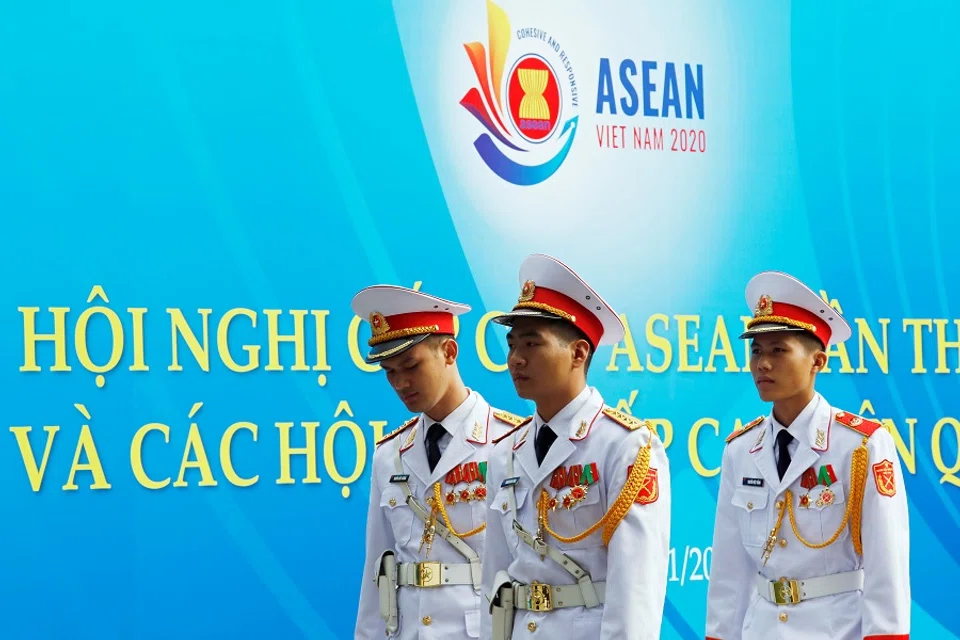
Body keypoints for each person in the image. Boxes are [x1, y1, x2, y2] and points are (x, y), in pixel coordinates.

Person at [705, 270, 910, 640]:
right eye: (756, 351)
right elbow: (729, 571)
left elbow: (886, 564)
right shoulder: (740, 449)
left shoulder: (861, 446)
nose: (762, 364)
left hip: (837, 629)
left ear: (818, 361)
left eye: (778, 350)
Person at [481, 253, 671, 640]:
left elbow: (636, 590)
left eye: (532, 344)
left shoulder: (625, 446)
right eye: (512, 345)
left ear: (579, 353)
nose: (516, 359)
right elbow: (495, 580)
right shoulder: (505, 451)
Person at [352, 284, 526, 639]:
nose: (400, 382)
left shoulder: (512, 442)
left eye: (410, 365)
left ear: (449, 351)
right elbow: (378, 572)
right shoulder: (390, 454)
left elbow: (531, 567)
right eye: (389, 371)